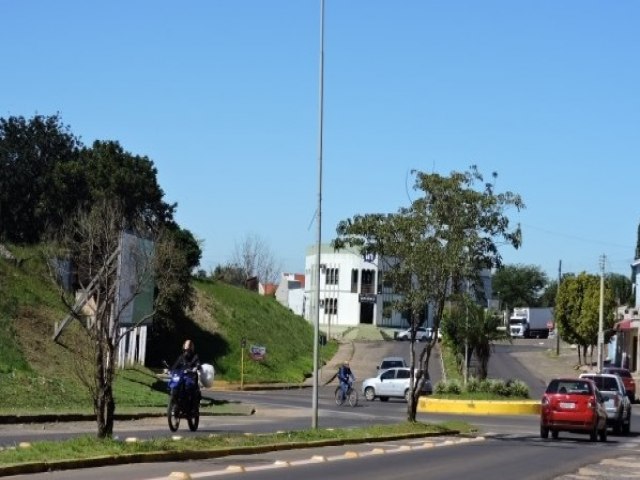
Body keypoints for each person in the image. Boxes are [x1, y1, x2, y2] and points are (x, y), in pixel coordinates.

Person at [172, 339, 202, 408]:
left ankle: (193, 405)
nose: (186, 352)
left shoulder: (195, 357)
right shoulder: (181, 357)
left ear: (191, 349)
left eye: (188, 350)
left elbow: (198, 364)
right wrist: (170, 370)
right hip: (182, 377)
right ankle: (175, 403)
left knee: (191, 389)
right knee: (176, 386)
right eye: (185, 350)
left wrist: (196, 367)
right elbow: (175, 366)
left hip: (191, 377)